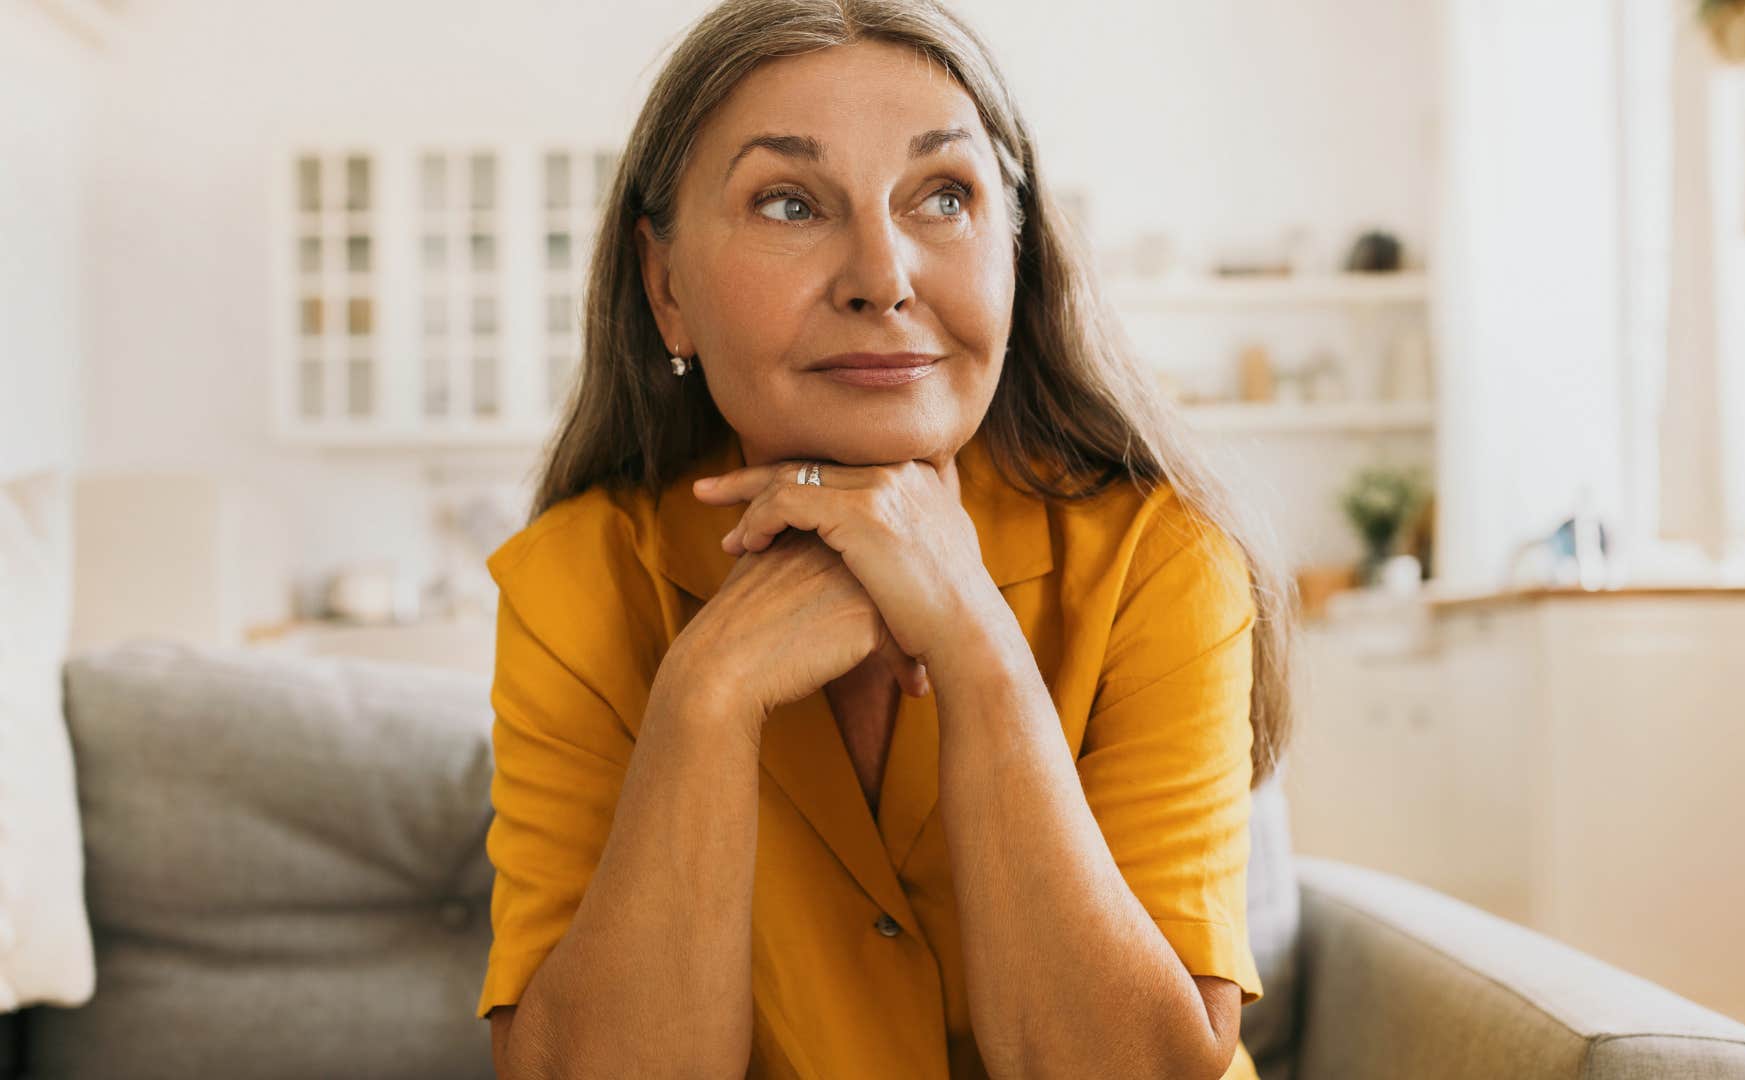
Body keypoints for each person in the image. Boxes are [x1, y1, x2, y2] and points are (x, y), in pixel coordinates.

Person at [477, 1, 1296, 1076]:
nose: (882, 275)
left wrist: (979, 648)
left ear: (1016, 253)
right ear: (666, 287)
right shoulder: (572, 585)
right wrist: (705, 698)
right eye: (787, 202)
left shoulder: (1164, 561)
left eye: (943, 196)